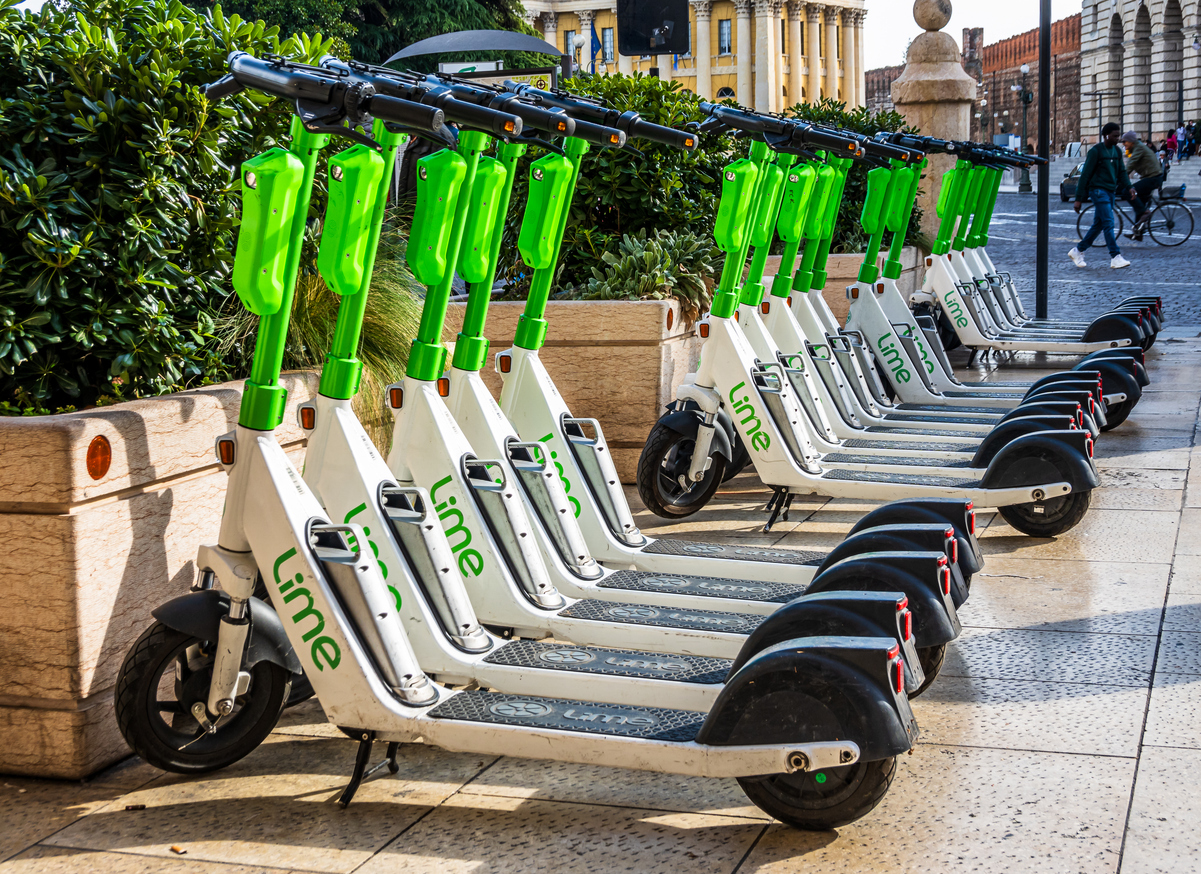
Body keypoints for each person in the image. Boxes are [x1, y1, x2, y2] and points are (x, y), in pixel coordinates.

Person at [1069, 122, 1135, 270]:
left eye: (1119, 135)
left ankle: (1078, 251)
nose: (1118, 138)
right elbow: (1085, 175)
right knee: (1108, 222)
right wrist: (1078, 198)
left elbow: (1122, 172)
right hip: (1098, 191)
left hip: (1110, 191)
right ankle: (1115, 256)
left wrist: (1129, 187)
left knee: (1099, 225)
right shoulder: (1096, 151)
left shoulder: (1117, 152)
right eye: (1115, 136)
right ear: (1106, 136)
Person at [1121, 130, 1163, 241]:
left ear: (1131, 141)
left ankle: (1146, 212)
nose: (1124, 145)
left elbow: (1130, 165)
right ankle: (1138, 233)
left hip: (1153, 178)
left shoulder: (1138, 148)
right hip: (1151, 177)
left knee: (1128, 192)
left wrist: (1120, 178)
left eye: (1125, 142)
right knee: (1138, 201)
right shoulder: (1136, 148)